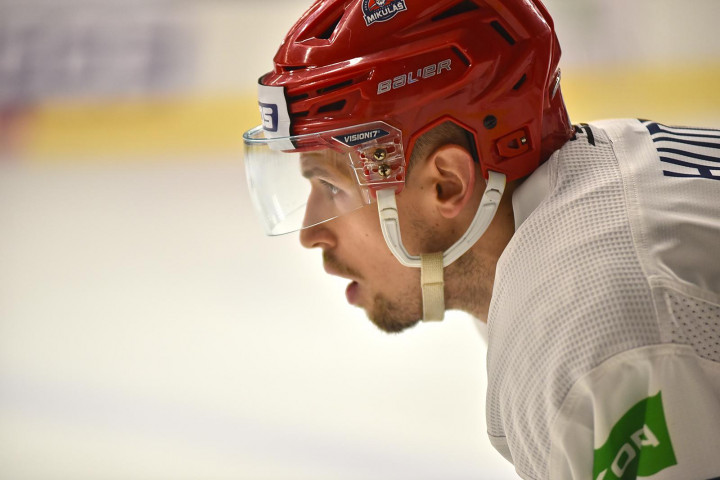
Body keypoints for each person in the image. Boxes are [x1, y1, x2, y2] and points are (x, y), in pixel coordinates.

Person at [242, 0, 720, 478]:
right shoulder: (588, 197)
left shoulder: (593, 331)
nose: (312, 233)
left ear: (447, 185)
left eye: (330, 186)